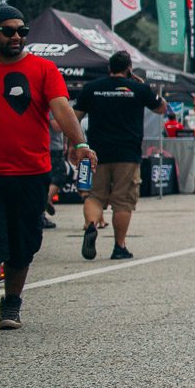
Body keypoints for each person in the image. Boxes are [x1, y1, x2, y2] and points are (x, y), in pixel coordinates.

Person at [0, 4, 95, 336]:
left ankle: (12, 303)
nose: (17, 36)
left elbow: (61, 109)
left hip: (30, 173)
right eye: (8, 31)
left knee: (22, 243)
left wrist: (79, 145)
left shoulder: (44, 69)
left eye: (22, 31)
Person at [74, 51, 166, 261]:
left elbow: (74, 117)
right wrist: (143, 85)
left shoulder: (92, 88)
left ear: (109, 68)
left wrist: (75, 144)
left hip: (97, 151)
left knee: (94, 196)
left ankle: (90, 226)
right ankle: (119, 246)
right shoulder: (139, 88)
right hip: (127, 152)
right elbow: (161, 108)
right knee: (123, 201)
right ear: (129, 68)